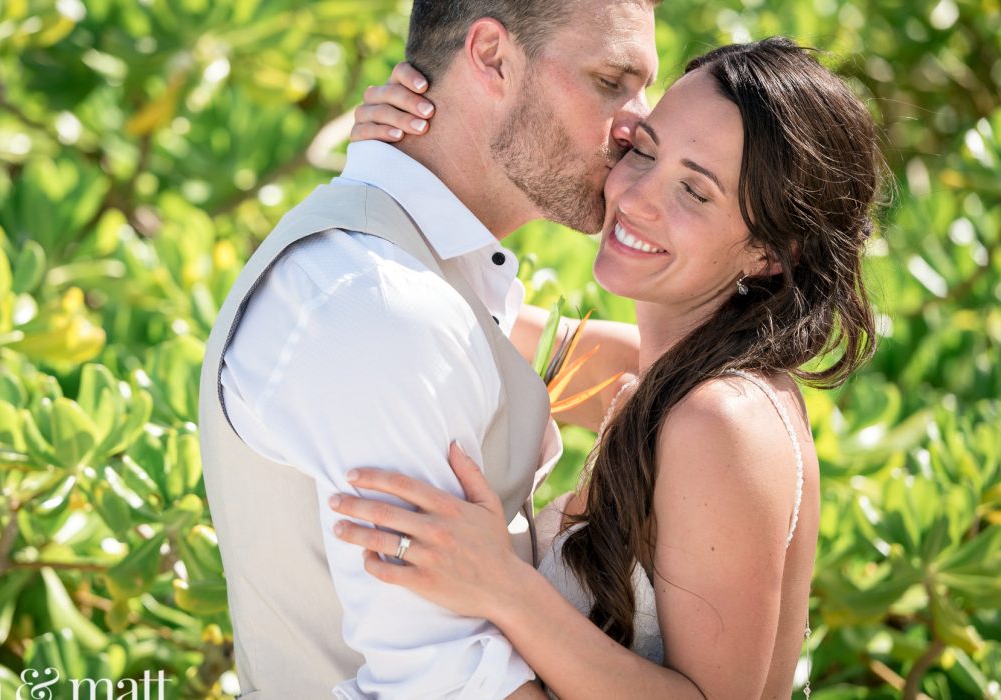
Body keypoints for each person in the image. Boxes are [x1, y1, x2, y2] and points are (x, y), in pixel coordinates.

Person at [331, 38, 882, 698]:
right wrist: (393, 166)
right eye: (643, 150)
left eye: (694, 192)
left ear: (769, 252)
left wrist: (501, 586)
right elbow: (436, 314)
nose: (638, 196)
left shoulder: (721, 420)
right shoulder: (660, 375)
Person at [197, 1, 658, 697]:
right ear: (492, 58)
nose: (640, 125)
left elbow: (669, 384)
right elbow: (448, 686)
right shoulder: (379, 309)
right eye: (611, 81)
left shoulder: (431, 280)